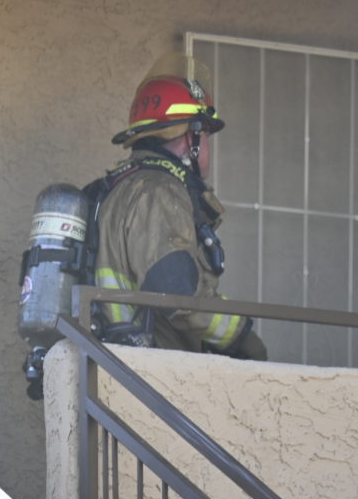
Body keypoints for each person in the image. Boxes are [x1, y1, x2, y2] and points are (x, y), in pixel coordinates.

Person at [88, 53, 267, 360]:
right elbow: (177, 294)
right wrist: (241, 336)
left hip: (109, 362)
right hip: (145, 369)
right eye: (206, 135)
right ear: (190, 138)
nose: (207, 147)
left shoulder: (114, 189)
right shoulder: (159, 191)